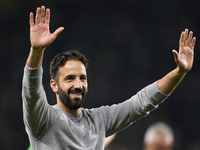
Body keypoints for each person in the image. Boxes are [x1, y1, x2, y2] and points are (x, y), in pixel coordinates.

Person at [22, 5, 196, 150]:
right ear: (53, 85)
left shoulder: (99, 121)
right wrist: (36, 51)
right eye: (69, 78)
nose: (78, 84)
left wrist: (179, 72)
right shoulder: (43, 120)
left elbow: (143, 103)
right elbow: (32, 92)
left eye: (82, 78)